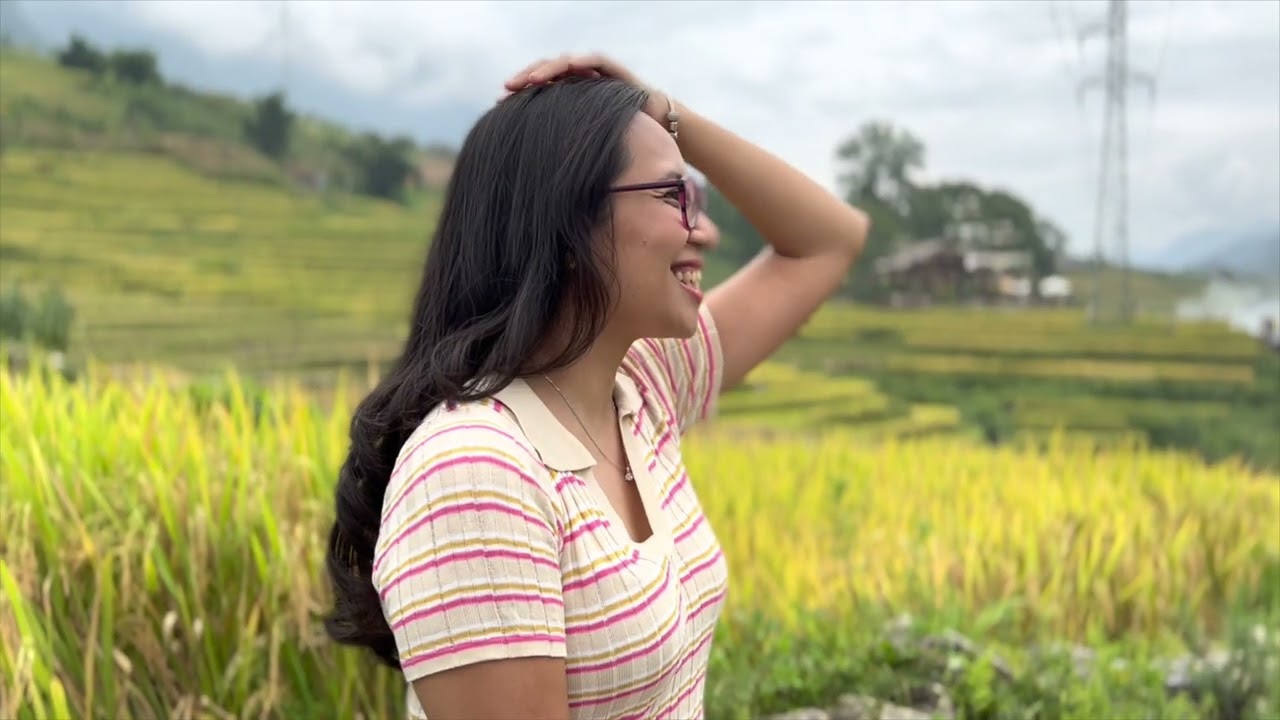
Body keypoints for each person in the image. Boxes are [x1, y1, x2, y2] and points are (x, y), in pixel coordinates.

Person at [322, 53, 869, 720]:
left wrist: (663, 111)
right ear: (570, 220)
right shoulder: (474, 469)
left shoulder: (641, 387)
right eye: (674, 197)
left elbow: (829, 240)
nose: (703, 230)